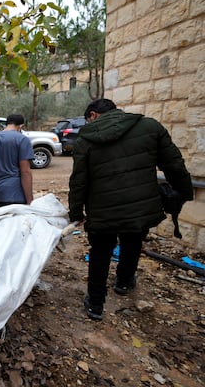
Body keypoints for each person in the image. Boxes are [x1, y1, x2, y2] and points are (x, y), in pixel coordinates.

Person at [68, 98, 193, 321]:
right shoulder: (150, 127)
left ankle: (95, 304)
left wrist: (76, 213)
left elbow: (79, 182)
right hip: (141, 205)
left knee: (100, 252)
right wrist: (183, 193)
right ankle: (124, 283)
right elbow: (173, 164)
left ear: (94, 115)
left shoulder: (85, 140)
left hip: (102, 209)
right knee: (132, 242)